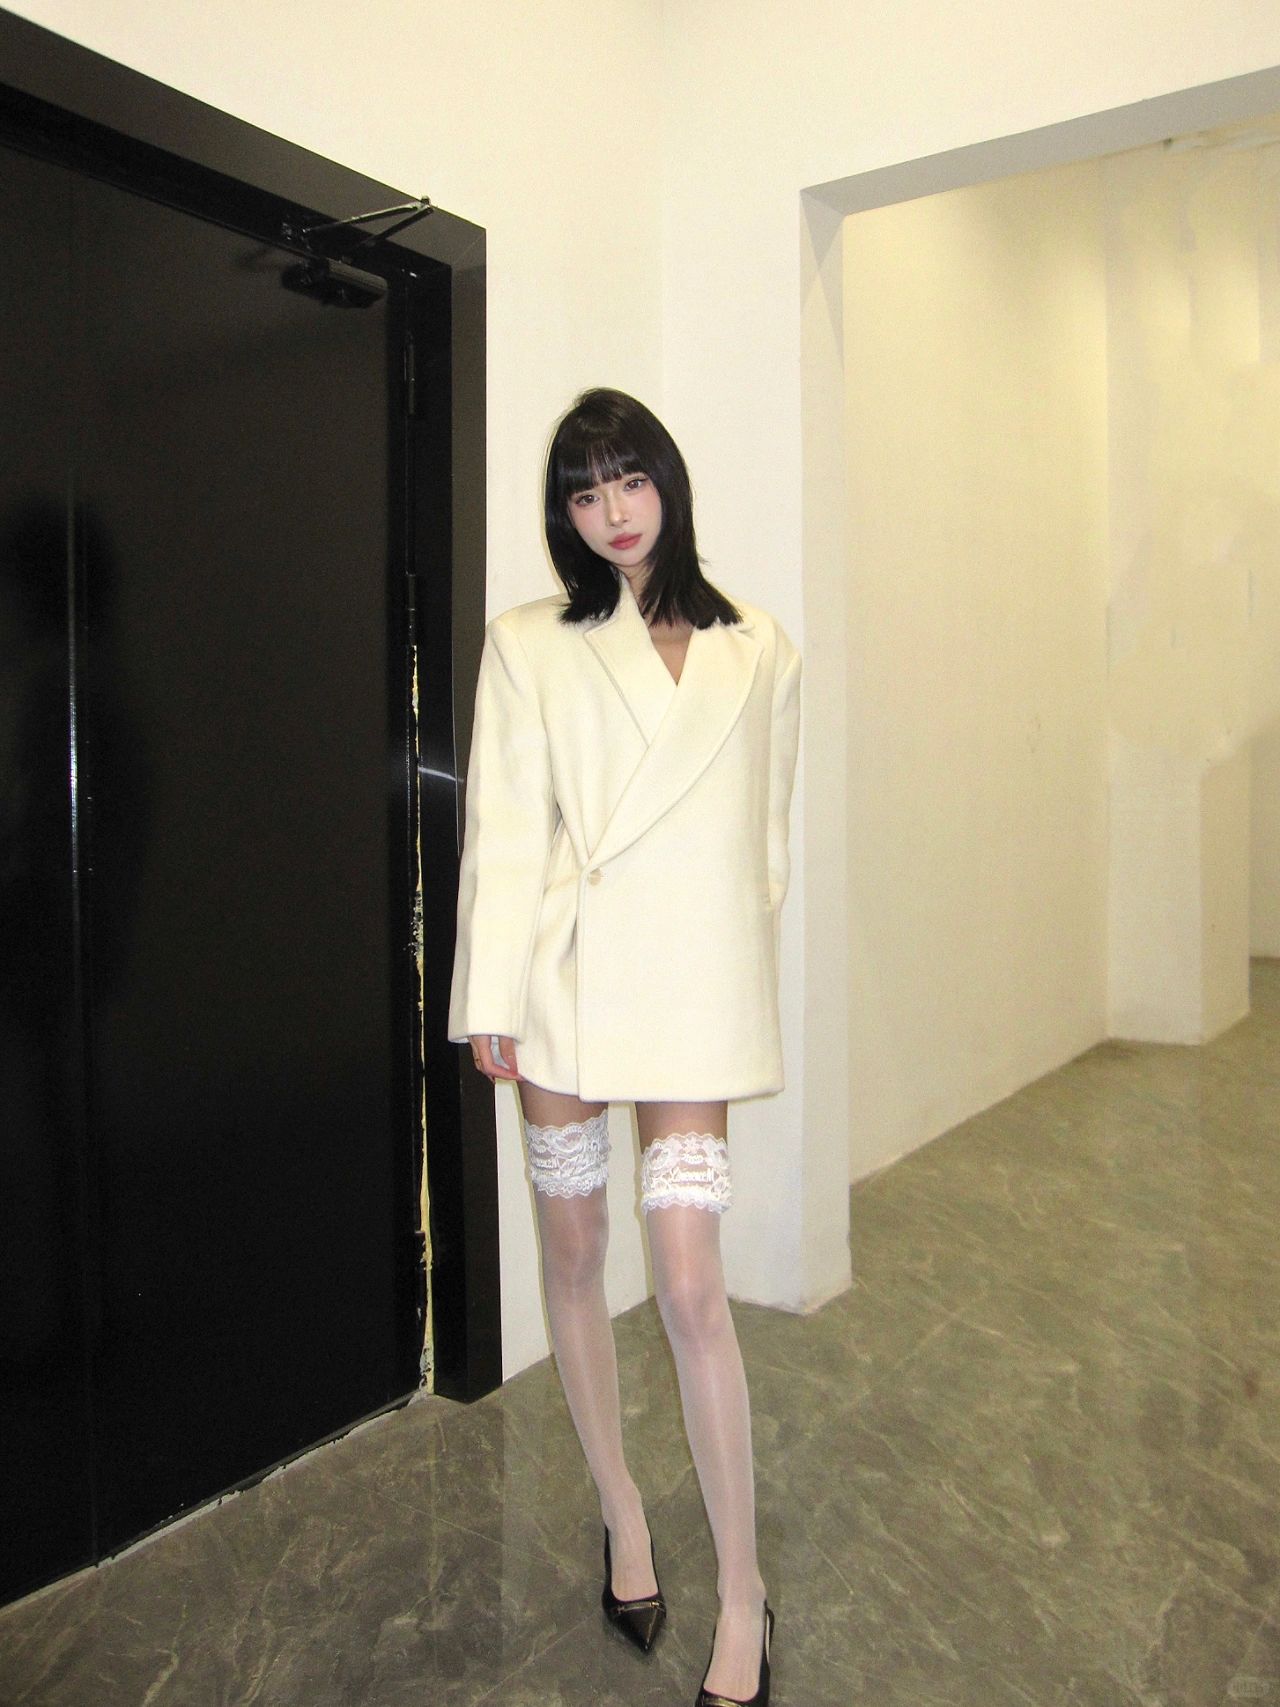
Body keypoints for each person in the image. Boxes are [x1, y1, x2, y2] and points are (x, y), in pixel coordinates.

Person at [448, 387, 800, 1707]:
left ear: (669, 482)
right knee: (577, 1251)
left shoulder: (759, 645)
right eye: (584, 493)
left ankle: (745, 1591)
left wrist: (726, 964)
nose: (612, 513)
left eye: (629, 481)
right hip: (566, 985)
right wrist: (491, 993)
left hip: (689, 992)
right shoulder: (530, 643)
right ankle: (624, 1515)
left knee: (692, 1284)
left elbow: (764, 843)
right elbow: (506, 829)